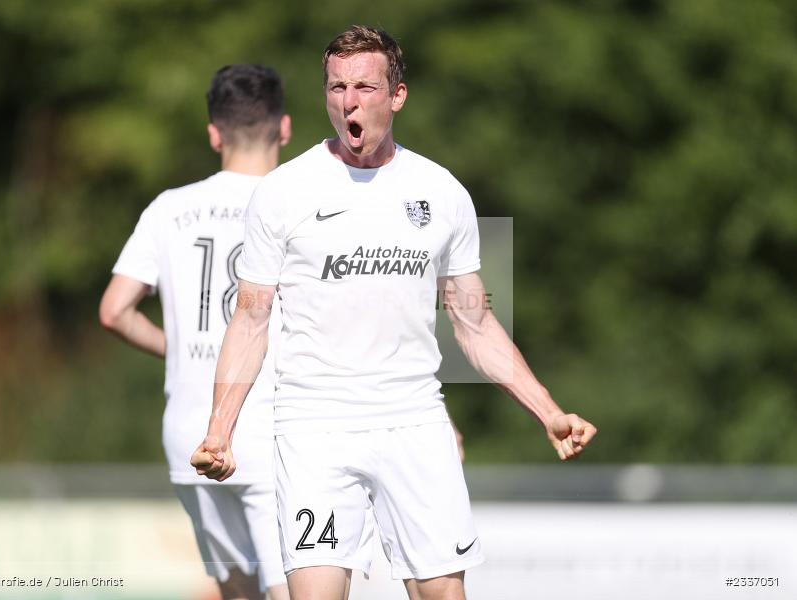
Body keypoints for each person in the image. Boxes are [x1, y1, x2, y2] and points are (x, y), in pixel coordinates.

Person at [191, 26, 597, 600]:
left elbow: (474, 324)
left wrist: (547, 410)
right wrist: (219, 430)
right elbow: (250, 320)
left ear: (397, 95)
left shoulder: (444, 192)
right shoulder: (283, 192)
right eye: (336, 87)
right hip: (315, 427)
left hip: (415, 422)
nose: (349, 101)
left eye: (364, 86)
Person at [99, 65, 292, 600]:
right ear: (284, 128)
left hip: (190, 433)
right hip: (271, 430)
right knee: (294, 591)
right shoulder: (299, 204)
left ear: (213, 132)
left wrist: (177, 349)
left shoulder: (169, 208)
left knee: (237, 592)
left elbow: (115, 310)